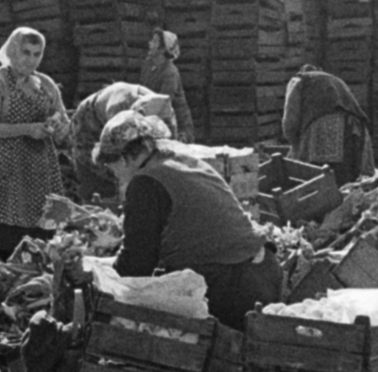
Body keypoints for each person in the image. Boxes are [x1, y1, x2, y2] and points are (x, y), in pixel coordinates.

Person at [93, 110, 282, 330]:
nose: (113, 173)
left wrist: (95, 275)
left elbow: (136, 265)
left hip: (232, 286)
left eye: (110, 165)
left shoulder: (146, 182)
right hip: (264, 271)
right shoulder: (179, 159)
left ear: (126, 157)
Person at [0, 26, 71, 275]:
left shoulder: (46, 84)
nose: (30, 60)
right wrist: (26, 129)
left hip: (37, 174)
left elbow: (62, 119)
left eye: (36, 54)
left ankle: (24, 290)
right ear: (11, 51)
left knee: (39, 236)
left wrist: (58, 125)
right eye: (25, 52)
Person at [70, 82, 178, 203]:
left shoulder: (166, 124)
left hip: (129, 123)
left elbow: (166, 160)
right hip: (90, 122)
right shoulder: (121, 118)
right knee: (101, 172)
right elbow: (119, 159)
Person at [281, 64, 376, 186]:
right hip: (356, 127)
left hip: (325, 126)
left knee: (320, 176)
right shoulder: (334, 79)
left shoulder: (298, 80)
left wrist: (293, 142)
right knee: (349, 174)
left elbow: (290, 117)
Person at [139, 27, 196, 141]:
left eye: (155, 42)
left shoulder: (170, 72)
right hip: (155, 121)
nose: (150, 44)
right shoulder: (147, 66)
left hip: (178, 127)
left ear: (163, 49)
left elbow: (163, 103)